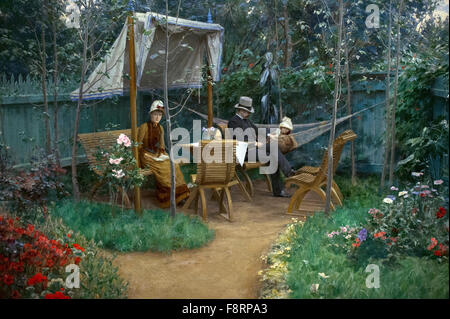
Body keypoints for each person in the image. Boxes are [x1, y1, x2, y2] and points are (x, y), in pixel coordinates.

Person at [227, 96, 296, 197]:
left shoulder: (247, 120)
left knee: (272, 148)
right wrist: (254, 143)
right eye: (247, 111)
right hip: (243, 152)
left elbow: (257, 130)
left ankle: (288, 172)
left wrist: (269, 135)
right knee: (272, 156)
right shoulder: (233, 122)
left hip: (253, 149)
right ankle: (280, 186)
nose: (249, 113)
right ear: (240, 110)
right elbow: (238, 140)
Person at [137, 100, 190, 208]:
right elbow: (138, 145)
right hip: (145, 156)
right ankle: (167, 197)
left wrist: (163, 154)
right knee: (164, 169)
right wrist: (145, 155)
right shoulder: (144, 127)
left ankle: (179, 195)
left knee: (173, 164)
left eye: (160, 115)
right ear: (151, 114)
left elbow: (161, 145)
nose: (157, 117)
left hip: (156, 155)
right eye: (155, 114)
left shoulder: (160, 128)